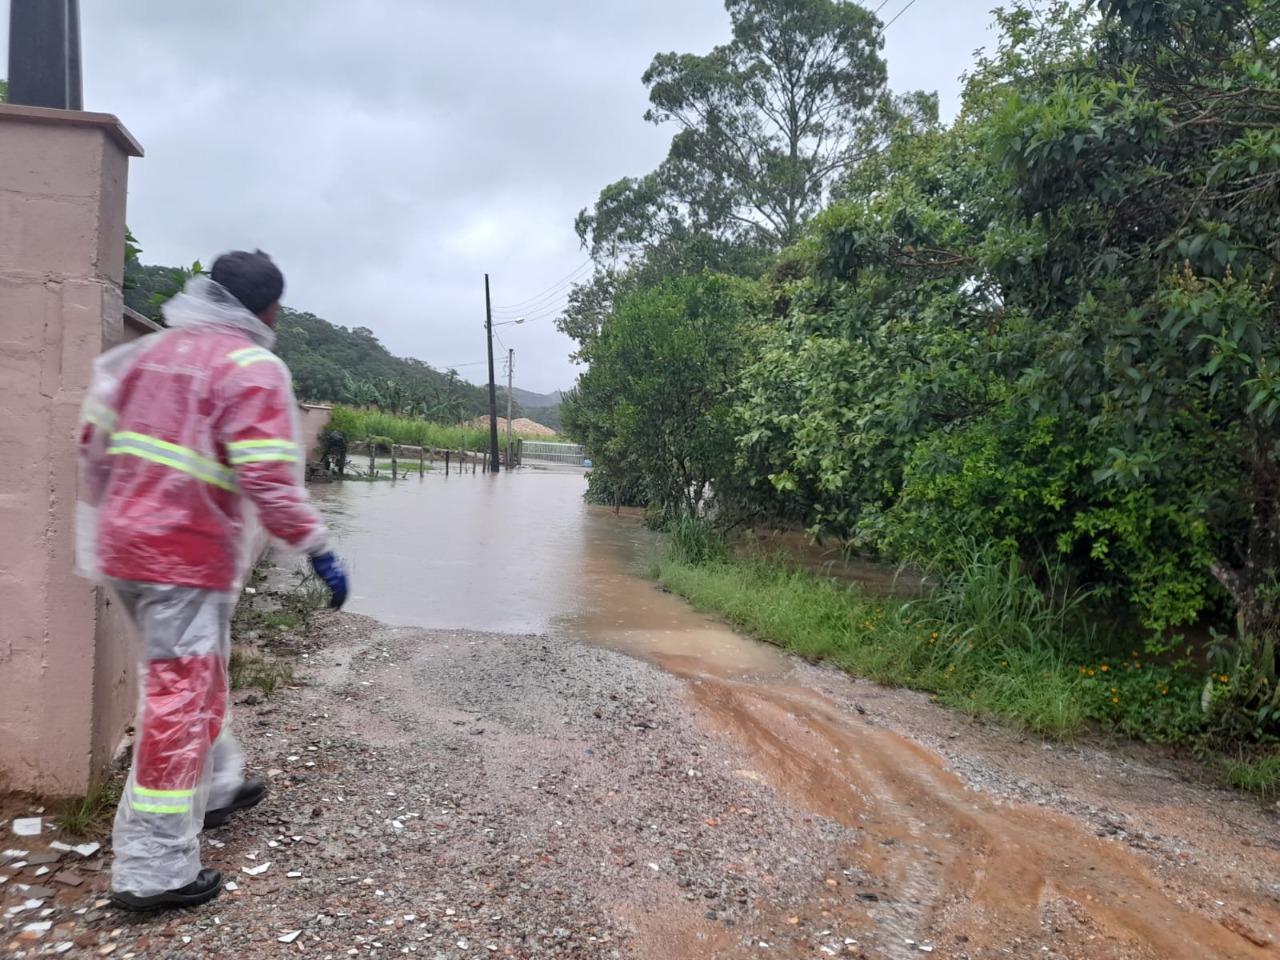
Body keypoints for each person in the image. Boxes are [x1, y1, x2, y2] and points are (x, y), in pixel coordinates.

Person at [75, 251, 349, 911]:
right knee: (177, 702)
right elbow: (268, 480)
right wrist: (317, 546)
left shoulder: (145, 356)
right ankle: (152, 868)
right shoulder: (253, 369)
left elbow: (92, 443)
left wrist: (130, 513)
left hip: (124, 549)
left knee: (199, 678)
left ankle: (219, 785)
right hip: (185, 561)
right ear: (271, 311)